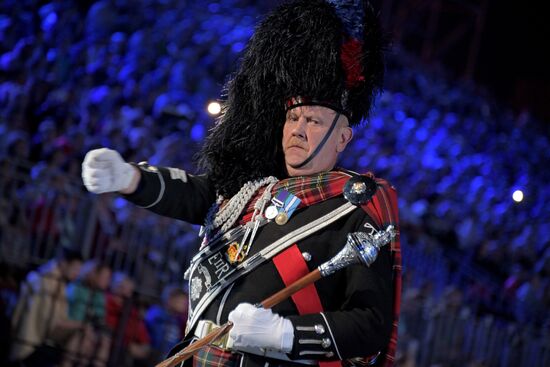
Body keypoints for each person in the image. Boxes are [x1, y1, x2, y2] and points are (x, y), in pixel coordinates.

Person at [82, 1, 401, 367]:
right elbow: (201, 196)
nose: (297, 129)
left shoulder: (353, 207)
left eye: (313, 120)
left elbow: (370, 323)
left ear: (342, 138)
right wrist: (133, 179)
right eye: (292, 116)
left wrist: (285, 334)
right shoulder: (252, 189)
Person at [10, 247, 84, 367]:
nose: (77, 273)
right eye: (75, 268)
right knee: (82, 334)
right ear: (64, 263)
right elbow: (51, 322)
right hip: (33, 341)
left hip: (42, 335)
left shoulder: (56, 280)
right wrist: (80, 325)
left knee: (86, 337)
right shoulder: (49, 280)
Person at [145, 285, 188, 358]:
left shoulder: (177, 320)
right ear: (170, 299)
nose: (184, 304)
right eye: (180, 301)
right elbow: (154, 342)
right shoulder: (157, 313)